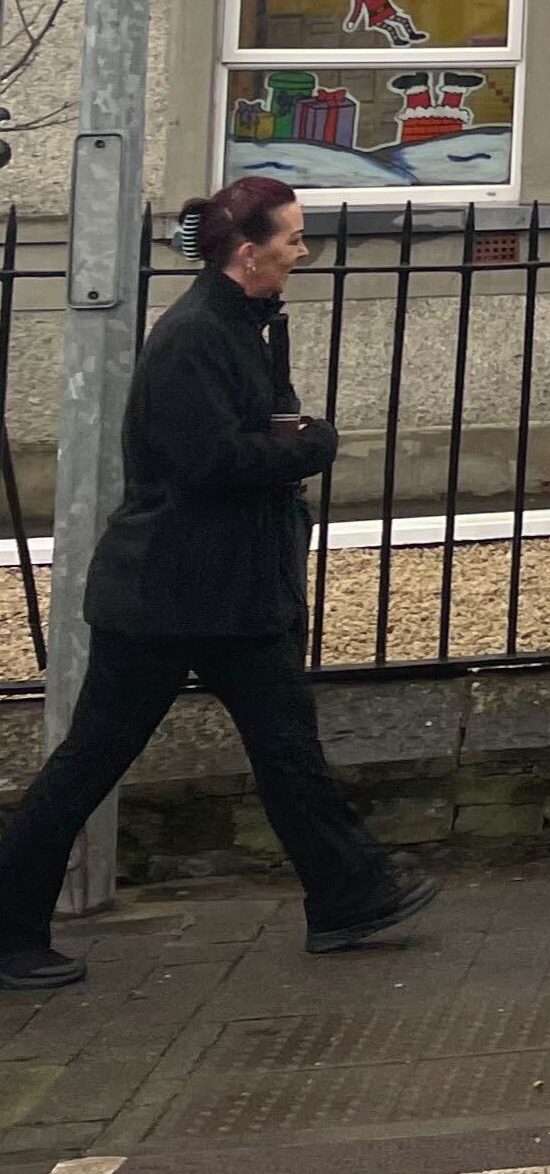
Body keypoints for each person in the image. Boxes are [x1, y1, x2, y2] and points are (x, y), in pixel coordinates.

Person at [0, 179, 438, 989]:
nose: (301, 253)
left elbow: (252, 429)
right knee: (91, 761)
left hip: (234, 593)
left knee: (287, 748)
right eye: (293, 239)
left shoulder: (245, 324)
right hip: (168, 597)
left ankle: (349, 897)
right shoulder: (195, 335)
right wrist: (311, 448)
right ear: (249, 252)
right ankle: (8, 929)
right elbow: (209, 462)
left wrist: (293, 436)